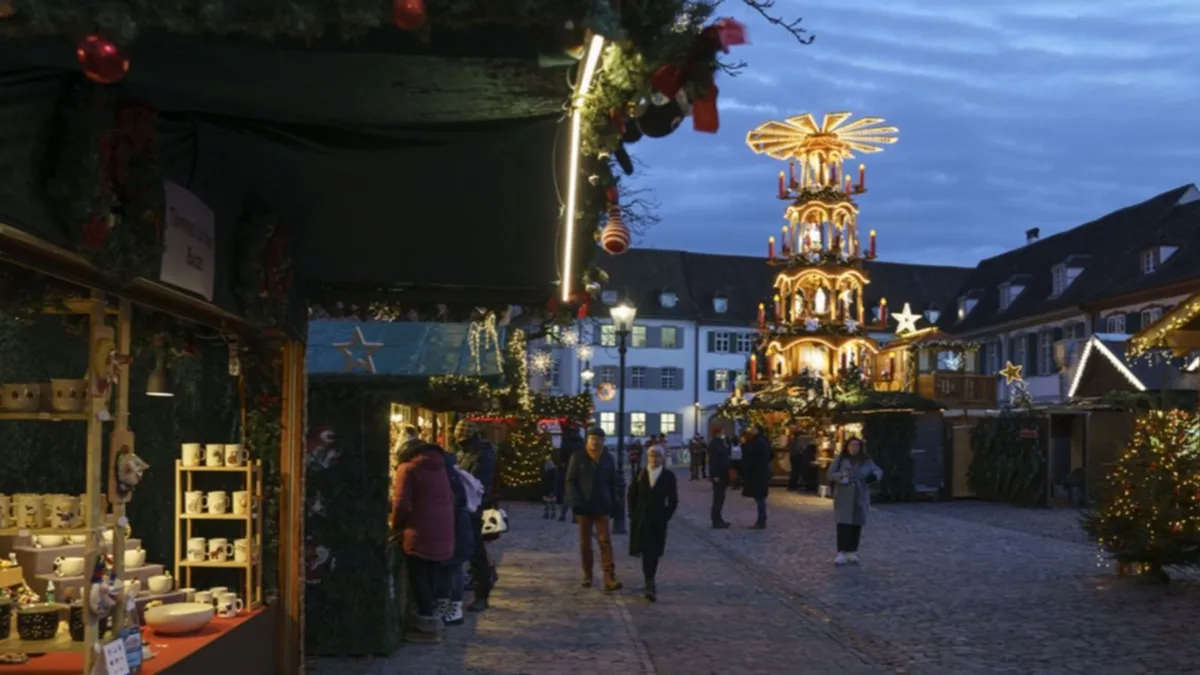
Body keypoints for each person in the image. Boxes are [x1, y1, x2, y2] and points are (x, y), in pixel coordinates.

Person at [391, 437, 455, 643]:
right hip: (442, 526)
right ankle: (432, 623)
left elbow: (400, 504)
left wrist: (395, 525)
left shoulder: (408, 469)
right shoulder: (440, 467)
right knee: (431, 575)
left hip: (420, 529)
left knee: (418, 576)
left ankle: (426, 627)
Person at [566, 427, 623, 591]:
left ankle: (608, 576)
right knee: (585, 543)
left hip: (602, 505)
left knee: (605, 541)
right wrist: (575, 500)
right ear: (587, 440)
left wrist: (614, 503)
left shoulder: (607, 458)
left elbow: (613, 482)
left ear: (603, 441)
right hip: (583, 506)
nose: (594, 442)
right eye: (592, 438)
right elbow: (570, 480)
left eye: (598, 439)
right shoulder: (578, 457)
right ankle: (588, 575)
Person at [454, 419, 496, 611]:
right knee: (473, 550)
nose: (459, 442)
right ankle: (484, 580)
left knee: (476, 551)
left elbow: (480, 484)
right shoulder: (466, 451)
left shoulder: (482, 454)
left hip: (475, 507)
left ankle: (482, 594)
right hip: (464, 506)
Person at [432, 442, 475, 627]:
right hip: (455, 526)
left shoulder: (446, 476)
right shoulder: (451, 472)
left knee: (454, 568)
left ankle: (454, 609)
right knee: (447, 567)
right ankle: (446, 606)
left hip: (455, 527)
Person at [627, 444, 678, 602]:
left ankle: (650, 580)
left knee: (653, 551)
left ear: (662, 459)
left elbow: (673, 500)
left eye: (657, 456)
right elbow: (631, 495)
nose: (654, 459)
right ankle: (649, 580)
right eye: (651, 456)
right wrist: (633, 513)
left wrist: (666, 515)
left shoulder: (668, 476)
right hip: (641, 518)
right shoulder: (641, 473)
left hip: (657, 518)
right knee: (644, 550)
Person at [827, 437, 884, 565]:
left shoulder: (866, 460)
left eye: (857, 445)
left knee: (856, 523)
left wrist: (873, 477)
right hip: (843, 495)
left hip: (859, 495)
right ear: (847, 446)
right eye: (852, 445)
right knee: (843, 523)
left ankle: (852, 552)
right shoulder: (841, 459)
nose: (854, 448)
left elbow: (878, 471)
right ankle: (842, 552)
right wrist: (841, 477)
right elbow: (830, 473)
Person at [741, 424, 773, 530]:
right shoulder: (763, 441)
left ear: (757, 430)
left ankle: (761, 521)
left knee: (759, 497)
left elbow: (756, 457)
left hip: (758, 473)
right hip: (760, 472)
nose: (751, 430)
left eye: (753, 429)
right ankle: (762, 518)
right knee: (759, 497)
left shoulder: (758, 442)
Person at [557, 426, 584, 522]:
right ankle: (573, 516)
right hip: (578, 469)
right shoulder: (580, 441)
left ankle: (563, 515)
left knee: (568, 493)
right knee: (575, 494)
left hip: (568, 468)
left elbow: (562, 454)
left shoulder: (566, 441)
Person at [707, 427, 732, 529]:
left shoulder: (722, 443)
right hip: (718, 475)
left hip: (724, 473)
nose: (724, 433)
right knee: (717, 498)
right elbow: (713, 461)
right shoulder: (714, 444)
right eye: (722, 432)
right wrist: (714, 475)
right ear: (717, 433)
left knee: (721, 498)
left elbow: (727, 454)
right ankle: (716, 521)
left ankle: (719, 519)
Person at [541, 451, 558, 519]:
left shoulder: (547, 474)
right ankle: (553, 513)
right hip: (553, 489)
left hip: (548, 489)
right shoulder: (554, 472)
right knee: (552, 502)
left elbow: (546, 482)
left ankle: (547, 513)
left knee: (547, 503)